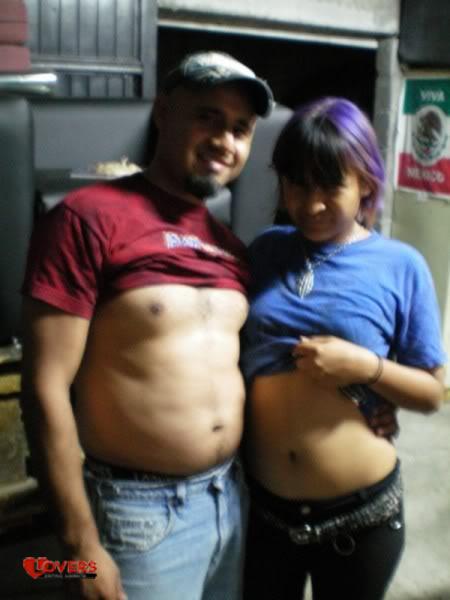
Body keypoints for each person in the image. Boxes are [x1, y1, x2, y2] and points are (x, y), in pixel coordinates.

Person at [20, 51, 274, 600]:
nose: (224, 141)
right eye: (207, 117)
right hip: (137, 516)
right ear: (163, 112)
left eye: (240, 129)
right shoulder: (88, 218)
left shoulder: (231, 248)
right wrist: (80, 544)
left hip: (230, 498)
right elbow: (44, 388)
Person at [240, 97, 447, 600]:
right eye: (296, 184)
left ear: (366, 184)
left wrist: (368, 368)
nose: (311, 205)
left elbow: (431, 394)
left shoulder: (401, 264)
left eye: (330, 186)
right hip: (265, 513)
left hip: (360, 520)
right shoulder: (265, 250)